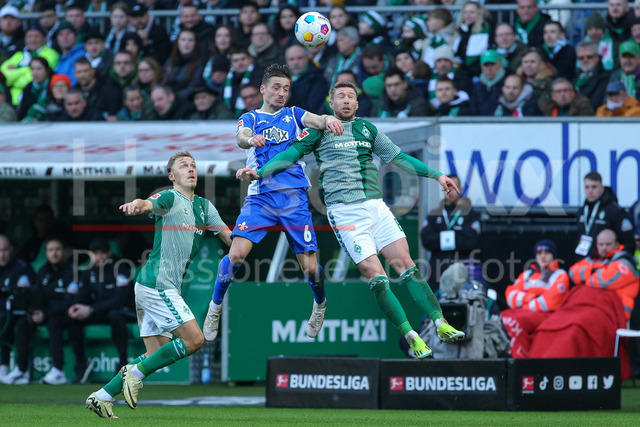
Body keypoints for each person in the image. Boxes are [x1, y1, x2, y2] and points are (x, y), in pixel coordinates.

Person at [236, 80, 466, 360]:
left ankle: (440, 322)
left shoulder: (367, 128)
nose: (346, 100)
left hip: (376, 207)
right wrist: (261, 172)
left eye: (350, 96)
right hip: (346, 214)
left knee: (406, 265)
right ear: (331, 103)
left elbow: (400, 157)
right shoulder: (318, 131)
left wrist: (437, 175)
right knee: (377, 277)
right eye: (340, 96)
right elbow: (289, 154)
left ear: (357, 103)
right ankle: (411, 336)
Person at [202, 64, 345, 344]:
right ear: (263, 89)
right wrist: (250, 139)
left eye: (286, 89)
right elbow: (241, 138)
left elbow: (317, 120)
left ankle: (320, 304)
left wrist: (329, 120)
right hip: (261, 197)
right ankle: (215, 306)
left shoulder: (294, 114)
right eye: (276, 87)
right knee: (236, 255)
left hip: (294, 197)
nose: (281, 93)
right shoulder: (251, 118)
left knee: (310, 268)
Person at [86, 151, 231, 418]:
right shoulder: (169, 197)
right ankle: (134, 375)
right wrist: (136, 205)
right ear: (171, 176)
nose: (191, 169)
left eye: (193, 165)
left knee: (154, 354)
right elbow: (146, 204)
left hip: (153, 286)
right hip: (157, 284)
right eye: (184, 166)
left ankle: (102, 396)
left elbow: (232, 241)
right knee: (195, 339)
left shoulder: (205, 207)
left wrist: (253, 232)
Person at [68, 237, 135, 378]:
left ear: (109, 253)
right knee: (74, 319)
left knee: (115, 314)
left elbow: (119, 301)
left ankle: (123, 363)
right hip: (102, 311)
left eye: (102, 253)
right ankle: (81, 364)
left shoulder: (120, 268)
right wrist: (76, 307)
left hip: (125, 311)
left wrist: (91, 309)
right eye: (95, 253)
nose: (98, 257)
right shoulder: (88, 271)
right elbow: (82, 294)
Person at [501, 239, 570, 358]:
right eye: (539, 253)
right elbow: (510, 296)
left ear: (553, 255)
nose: (543, 256)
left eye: (546, 253)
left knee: (514, 321)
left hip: (547, 316)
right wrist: (531, 297)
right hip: (524, 312)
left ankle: (520, 359)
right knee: (501, 318)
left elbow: (550, 303)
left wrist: (523, 303)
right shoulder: (527, 274)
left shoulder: (560, 275)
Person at [31, 237, 81, 385]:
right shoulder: (42, 272)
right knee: (24, 321)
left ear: (64, 252)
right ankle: (23, 369)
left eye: (58, 249)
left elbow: (69, 302)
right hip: (46, 313)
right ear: (46, 253)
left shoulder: (72, 271)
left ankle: (60, 369)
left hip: (64, 314)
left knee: (57, 321)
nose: (54, 253)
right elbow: (37, 297)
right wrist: (36, 311)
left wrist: (45, 313)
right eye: (51, 250)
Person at [420, 174, 481, 288]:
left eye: (454, 187)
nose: (450, 191)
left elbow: (470, 241)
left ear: (460, 190)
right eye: (447, 187)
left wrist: (440, 238)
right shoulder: (434, 214)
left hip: (462, 274)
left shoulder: (470, 214)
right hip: (437, 274)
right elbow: (426, 240)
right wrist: (456, 236)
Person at [0, 235, 37, 385]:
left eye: (4, 250)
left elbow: (28, 295)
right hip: (4, 313)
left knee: (21, 323)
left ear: (11, 250)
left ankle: (22, 369)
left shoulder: (22, 268)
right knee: (2, 318)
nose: (1, 255)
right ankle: (3, 366)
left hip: (24, 313)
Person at [575, 171, 635, 258]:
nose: (590, 191)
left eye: (594, 187)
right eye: (587, 187)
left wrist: (616, 260)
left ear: (602, 188)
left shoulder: (615, 211)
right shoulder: (582, 211)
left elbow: (628, 242)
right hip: (585, 261)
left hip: (608, 262)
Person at [0, 24, 59, 105]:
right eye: (29, 36)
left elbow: (34, 78)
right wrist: (26, 69)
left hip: (35, 98)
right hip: (13, 100)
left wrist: (17, 71)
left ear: (44, 38)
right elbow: (3, 75)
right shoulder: (19, 55)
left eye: (36, 36)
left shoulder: (51, 54)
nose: (33, 39)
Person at [285, 44, 329, 114]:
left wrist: (289, 100)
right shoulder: (281, 79)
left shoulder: (318, 80)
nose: (296, 62)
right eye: (291, 59)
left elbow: (312, 109)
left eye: (300, 58)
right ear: (286, 62)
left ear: (307, 58)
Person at [573, 40, 612, 110]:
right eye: (581, 58)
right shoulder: (575, 76)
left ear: (597, 57)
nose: (585, 60)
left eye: (589, 57)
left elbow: (596, 102)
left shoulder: (605, 77)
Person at [470, 49, 507, 115]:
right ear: (482, 67)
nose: (489, 68)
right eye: (486, 65)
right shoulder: (476, 87)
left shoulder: (508, 84)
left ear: (500, 64)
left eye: (492, 64)